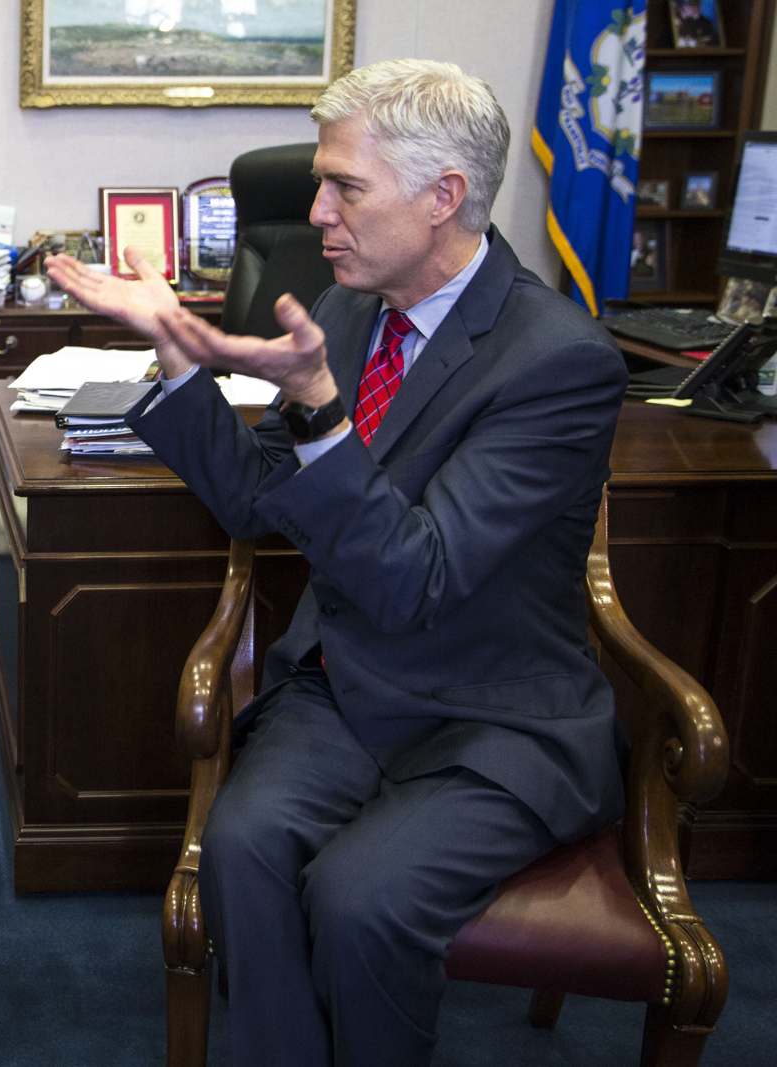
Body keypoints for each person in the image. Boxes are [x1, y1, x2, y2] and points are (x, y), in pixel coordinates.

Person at [48, 58, 627, 1066]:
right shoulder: (355, 307)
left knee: (362, 898)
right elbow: (253, 493)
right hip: (347, 684)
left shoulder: (557, 360)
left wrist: (318, 406)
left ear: (442, 195)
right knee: (239, 846)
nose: (315, 211)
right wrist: (177, 355)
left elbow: (419, 576)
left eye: (343, 186)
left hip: (490, 712)